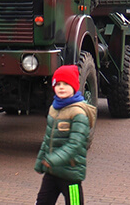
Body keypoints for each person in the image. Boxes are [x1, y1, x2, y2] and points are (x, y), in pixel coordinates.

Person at [34, 65, 97, 205]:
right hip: (52, 173)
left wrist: (53, 159)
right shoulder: (54, 108)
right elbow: (47, 139)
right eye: (58, 84)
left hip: (71, 174)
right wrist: (40, 161)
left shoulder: (79, 113)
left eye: (66, 84)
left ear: (74, 87)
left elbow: (75, 144)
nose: (61, 87)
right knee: (42, 201)